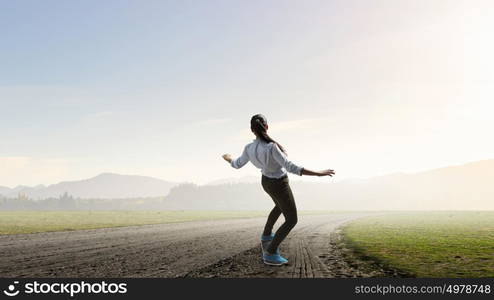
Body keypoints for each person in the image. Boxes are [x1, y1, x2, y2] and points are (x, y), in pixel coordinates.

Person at [222, 114, 335, 266]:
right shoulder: (271, 147)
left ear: (251, 130)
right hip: (279, 183)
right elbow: (290, 167)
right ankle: (270, 251)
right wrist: (318, 173)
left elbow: (236, 164)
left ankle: (266, 235)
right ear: (267, 127)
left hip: (266, 182)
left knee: (279, 206)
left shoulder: (249, 148)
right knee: (292, 219)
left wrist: (228, 158)